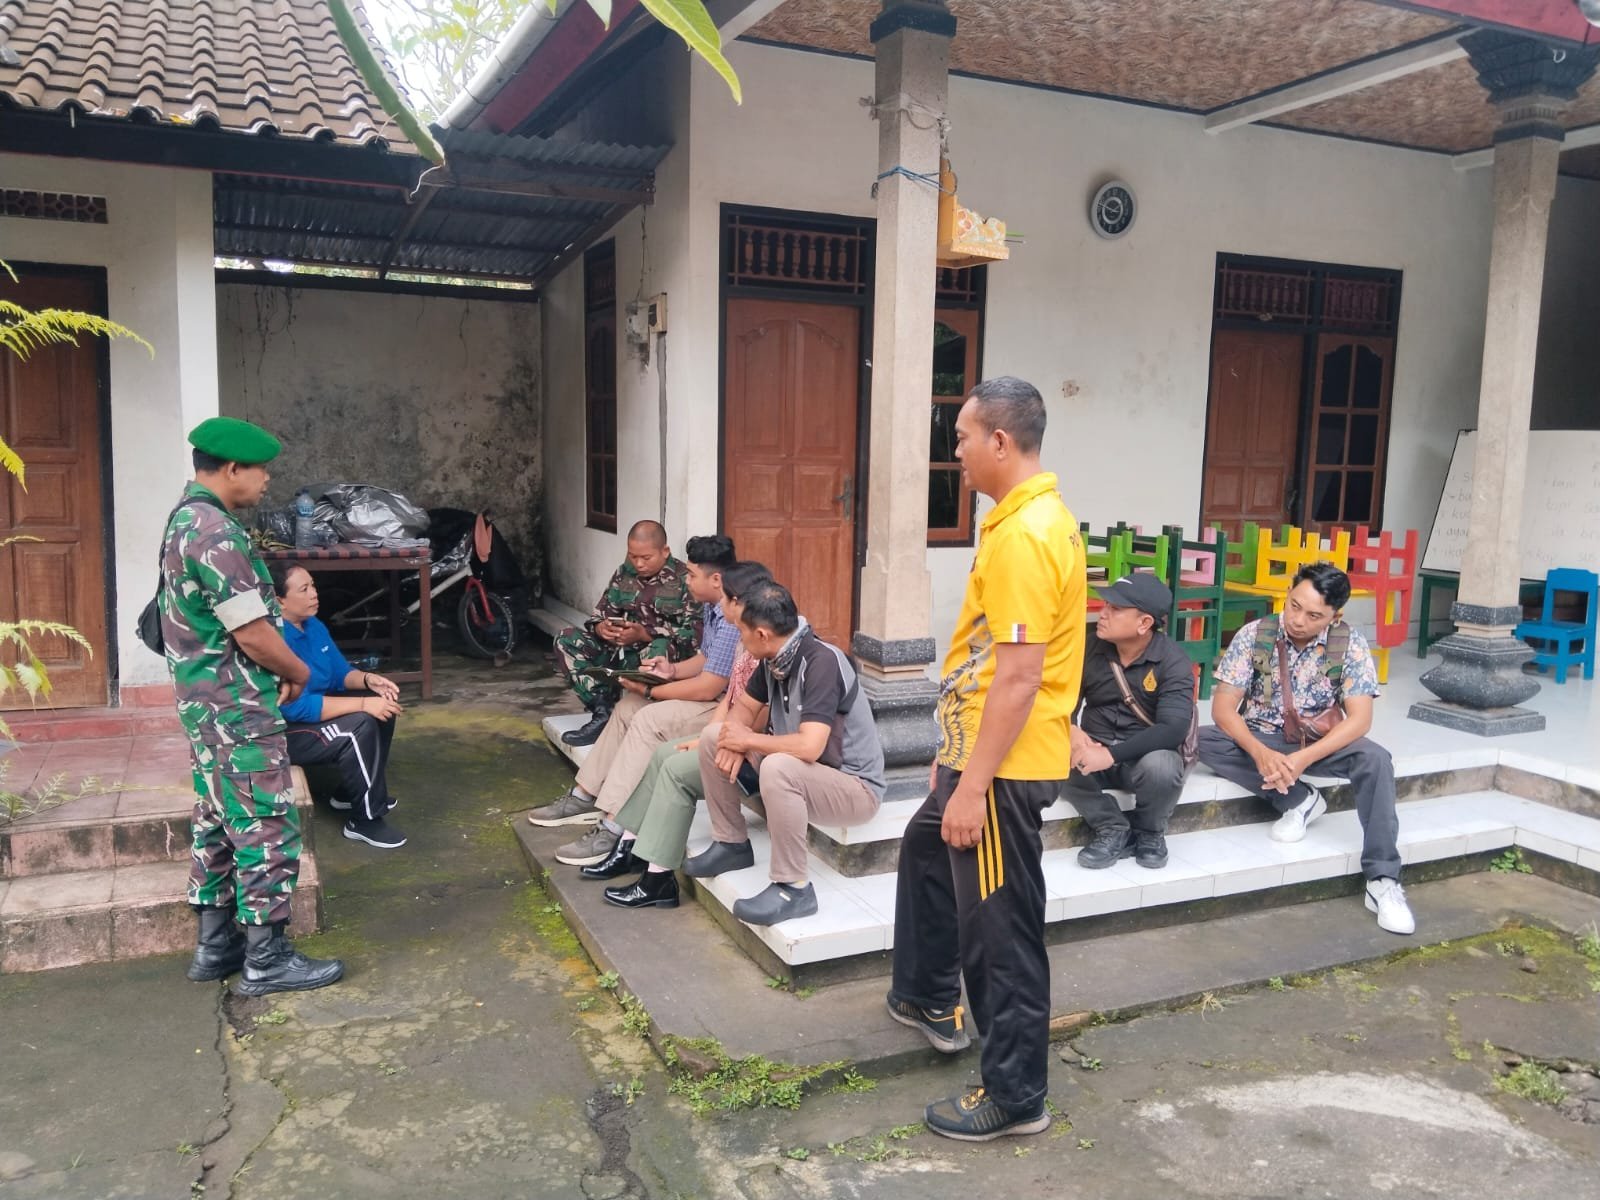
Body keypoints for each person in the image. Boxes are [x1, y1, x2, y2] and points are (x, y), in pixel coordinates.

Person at [888, 376, 1085, 1143]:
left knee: (1000, 933)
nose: (957, 452)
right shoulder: (1022, 522)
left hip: (1003, 770)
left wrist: (972, 786)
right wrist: (953, 760)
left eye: (964, 437)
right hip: (977, 752)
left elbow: (1019, 677)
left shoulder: (1027, 536)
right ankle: (925, 992)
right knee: (924, 848)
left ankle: (1014, 1095)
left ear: (1000, 441)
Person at [159, 416, 343, 996]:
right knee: (264, 822)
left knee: (218, 818)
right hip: (236, 706)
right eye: (262, 470)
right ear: (233, 468)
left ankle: (216, 946)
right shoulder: (217, 533)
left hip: (204, 703)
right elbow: (253, 633)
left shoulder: (183, 519)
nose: (267, 481)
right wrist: (298, 671)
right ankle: (267, 958)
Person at [1199, 561, 1414, 935]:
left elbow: (1360, 719)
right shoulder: (1256, 634)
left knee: (1376, 759)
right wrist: (1260, 752)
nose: (1298, 620)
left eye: (1313, 615)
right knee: (1199, 738)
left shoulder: (1348, 643)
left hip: (1318, 743)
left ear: (1334, 616)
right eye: (1294, 606)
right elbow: (1223, 708)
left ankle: (1383, 880)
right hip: (1263, 738)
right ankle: (1299, 799)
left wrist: (1302, 758)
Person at [528, 535, 742, 872]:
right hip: (713, 697)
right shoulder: (714, 604)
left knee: (648, 718)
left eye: (691, 575)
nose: (687, 581)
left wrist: (652, 691)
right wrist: (670, 671)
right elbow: (705, 659)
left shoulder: (732, 613)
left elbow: (709, 687)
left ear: (715, 579)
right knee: (628, 705)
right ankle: (584, 795)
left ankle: (613, 826)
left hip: (728, 709)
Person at [682, 581, 885, 926]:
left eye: (742, 631)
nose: (740, 639)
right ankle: (731, 845)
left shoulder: (821, 662)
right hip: (805, 772)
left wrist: (748, 741)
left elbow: (809, 746)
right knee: (715, 736)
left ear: (762, 634)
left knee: (777, 766)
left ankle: (794, 888)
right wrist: (734, 738)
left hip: (854, 788)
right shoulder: (773, 659)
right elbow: (743, 710)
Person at [600, 561, 772, 910]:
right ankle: (631, 844)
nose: (720, 606)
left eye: (725, 599)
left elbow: (760, 719)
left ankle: (658, 878)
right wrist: (706, 738)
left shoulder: (764, 645)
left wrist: (722, 741)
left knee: (676, 771)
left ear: (739, 601)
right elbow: (732, 701)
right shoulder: (745, 640)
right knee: (666, 753)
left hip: (758, 752)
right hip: (734, 738)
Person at [268, 562, 407, 850]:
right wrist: (363, 704)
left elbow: (340, 674)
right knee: (358, 725)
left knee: (383, 706)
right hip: (287, 731)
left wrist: (368, 680)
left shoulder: (313, 625)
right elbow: (295, 707)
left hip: (311, 714)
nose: (314, 594)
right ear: (280, 600)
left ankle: (350, 792)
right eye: (303, 589)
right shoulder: (276, 639)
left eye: (313, 586)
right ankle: (365, 821)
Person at [1067, 573, 1196, 870]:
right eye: (1105, 605)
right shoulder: (1088, 647)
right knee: (1045, 749)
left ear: (1144, 623)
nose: (1103, 613)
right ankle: (1112, 827)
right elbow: (1061, 700)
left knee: (1163, 765)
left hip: (1140, 758)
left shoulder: (1173, 661)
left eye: (1115, 609)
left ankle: (1149, 832)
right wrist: (1070, 728)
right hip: (1091, 751)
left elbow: (1173, 729)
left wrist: (1110, 755)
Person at [553, 520, 699, 747]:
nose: (639, 564)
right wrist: (602, 628)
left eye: (646, 558)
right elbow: (599, 615)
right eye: (633, 556)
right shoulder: (624, 573)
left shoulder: (685, 579)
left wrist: (645, 635)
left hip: (660, 662)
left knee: (659, 647)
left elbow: (694, 634)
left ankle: (645, 718)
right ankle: (602, 710)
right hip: (620, 655)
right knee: (566, 638)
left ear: (665, 551)